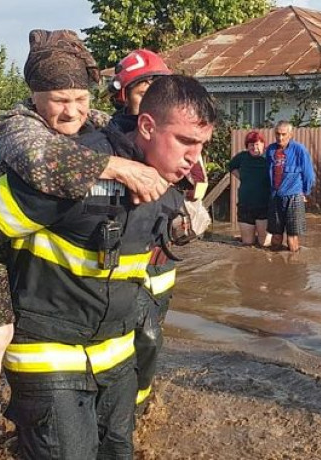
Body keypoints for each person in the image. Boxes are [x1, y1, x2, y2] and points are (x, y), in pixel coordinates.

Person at [0, 30, 216, 459]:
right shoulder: (42, 150)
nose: (194, 158)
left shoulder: (154, 166)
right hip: (44, 341)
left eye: (80, 98)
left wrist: (180, 221)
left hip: (113, 351)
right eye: (186, 144)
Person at [108, 50, 209, 412]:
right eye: (141, 90)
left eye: (157, 87)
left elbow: (194, 186)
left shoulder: (181, 142)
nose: (150, 95)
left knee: (150, 337)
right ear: (124, 96)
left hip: (158, 261)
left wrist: (191, 214)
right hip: (119, 260)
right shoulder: (109, 143)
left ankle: (139, 400)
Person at [265, 121, 315, 252]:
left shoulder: (299, 150)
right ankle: (275, 266)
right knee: (275, 237)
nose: (280, 137)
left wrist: (305, 192)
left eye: (283, 134)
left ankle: (293, 267)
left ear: (290, 134)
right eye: (277, 134)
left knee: (292, 238)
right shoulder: (270, 150)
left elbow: (308, 174)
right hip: (275, 197)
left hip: (294, 197)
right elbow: (268, 173)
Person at [228, 130, 270, 246]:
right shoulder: (242, 157)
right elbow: (231, 166)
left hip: (265, 206)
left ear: (263, 144)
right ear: (247, 146)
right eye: (251, 144)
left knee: (264, 244)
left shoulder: (269, 157)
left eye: (257, 144)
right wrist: (242, 177)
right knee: (247, 244)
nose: (254, 147)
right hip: (245, 205)